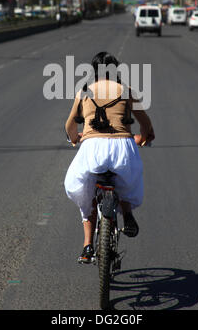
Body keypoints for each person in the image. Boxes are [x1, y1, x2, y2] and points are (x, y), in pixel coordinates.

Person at [64, 52, 155, 264]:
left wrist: (75, 138)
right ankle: (127, 213)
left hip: (92, 150)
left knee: (85, 196)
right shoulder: (126, 91)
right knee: (126, 182)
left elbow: (70, 126)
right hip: (122, 148)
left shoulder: (84, 92)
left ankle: (87, 245)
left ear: (94, 71)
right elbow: (145, 123)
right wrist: (145, 136)